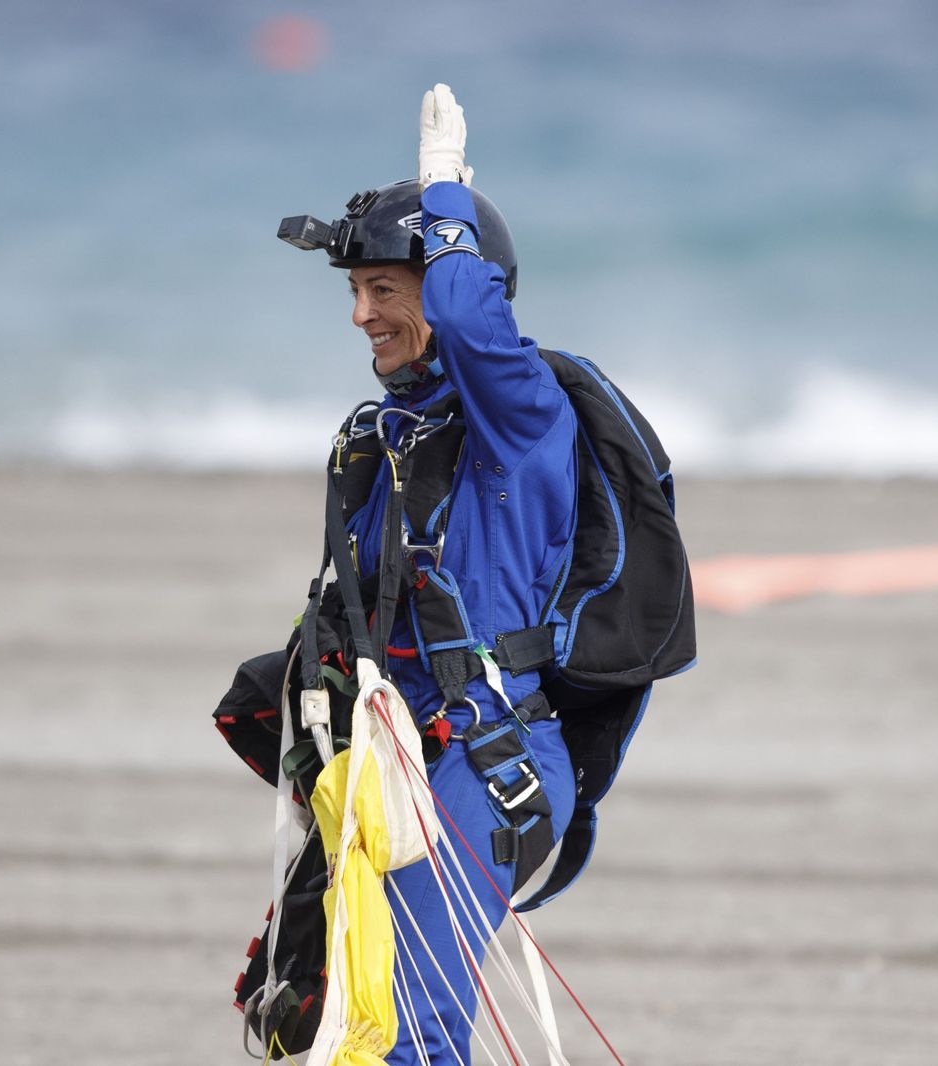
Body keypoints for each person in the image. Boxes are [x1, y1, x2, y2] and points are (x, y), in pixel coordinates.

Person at [291, 84, 579, 1063]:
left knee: (415, 1033)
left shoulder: (520, 413)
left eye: (384, 290)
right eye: (354, 292)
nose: (361, 315)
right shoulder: (393, 435)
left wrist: (445, 189)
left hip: (490, 760)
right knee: (348, 1020)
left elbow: (465, 313)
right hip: (400, 757)